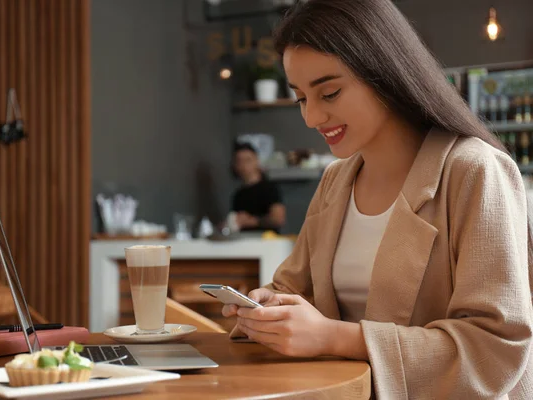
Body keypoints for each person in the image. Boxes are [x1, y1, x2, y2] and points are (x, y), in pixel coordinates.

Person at [222, 0, 533, 398]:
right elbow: (298, 289)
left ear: (385, 73)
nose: (312, 118)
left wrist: (336, 338)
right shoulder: (336, 181)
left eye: (329, 93)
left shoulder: (474, 170)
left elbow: (494, 348)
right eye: (301, 98)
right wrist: (270, 306)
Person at [230, 142, 286, 232]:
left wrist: (252, 221)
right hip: (246, 243)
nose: (243, 165)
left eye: (248, 160)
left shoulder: (269, 189)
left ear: (257, 161)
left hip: (268, 243)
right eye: (239, 161)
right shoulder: (238, 195)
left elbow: (278, 219)